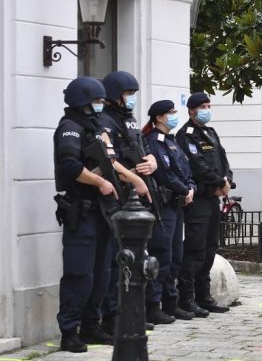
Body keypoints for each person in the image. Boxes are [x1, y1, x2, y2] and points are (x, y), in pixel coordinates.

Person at [54, 77, 150, 353]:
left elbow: (108, 159)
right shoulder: (70, 128)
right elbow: (70, 165)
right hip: (81, 211)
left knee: (102, 273)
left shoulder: (96, 127)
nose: (100, 105)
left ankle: (91, 325)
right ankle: (69, 331)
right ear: (83, 101)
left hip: (102, 211)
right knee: (79, 273)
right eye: (96, 101)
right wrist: (100, 182)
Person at [98, 71, 158, 333]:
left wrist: (152, 162)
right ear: (115, 95)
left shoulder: (130, 120)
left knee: (137, 257)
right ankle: (113, 316)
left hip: (138, 195)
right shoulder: (105, 121)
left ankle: (133, 311)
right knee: (118, 259)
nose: (132, 99)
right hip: (120, 196)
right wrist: (134, 179)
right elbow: (109, 158)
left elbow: (143, 148)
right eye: (128, 94)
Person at [175, 92, 233, 315]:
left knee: (210, 248)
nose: (207, 110)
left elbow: (223, 159)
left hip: (213, 198)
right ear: (191, 110)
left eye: (209, 106)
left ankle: (204, 296)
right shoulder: (186, 135)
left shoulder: (210, 132)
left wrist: (227, 180)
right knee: (195, 249)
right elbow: (197, 165)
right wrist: (219, 182)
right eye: (203, 107)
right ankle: (187, 299)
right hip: (198, 199)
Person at [141, 100, 197, 323]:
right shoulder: (154, 141)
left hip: (177, 204)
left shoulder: (172, 142)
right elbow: (164, 174)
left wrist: (191, 188)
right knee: (161, 255)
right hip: (163, 206)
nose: (174, 115)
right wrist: (185, 188)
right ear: (159, 117)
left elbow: (185, 170)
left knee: (175, 257)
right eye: (171, 112)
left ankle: (170, 303)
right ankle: (153, 305)